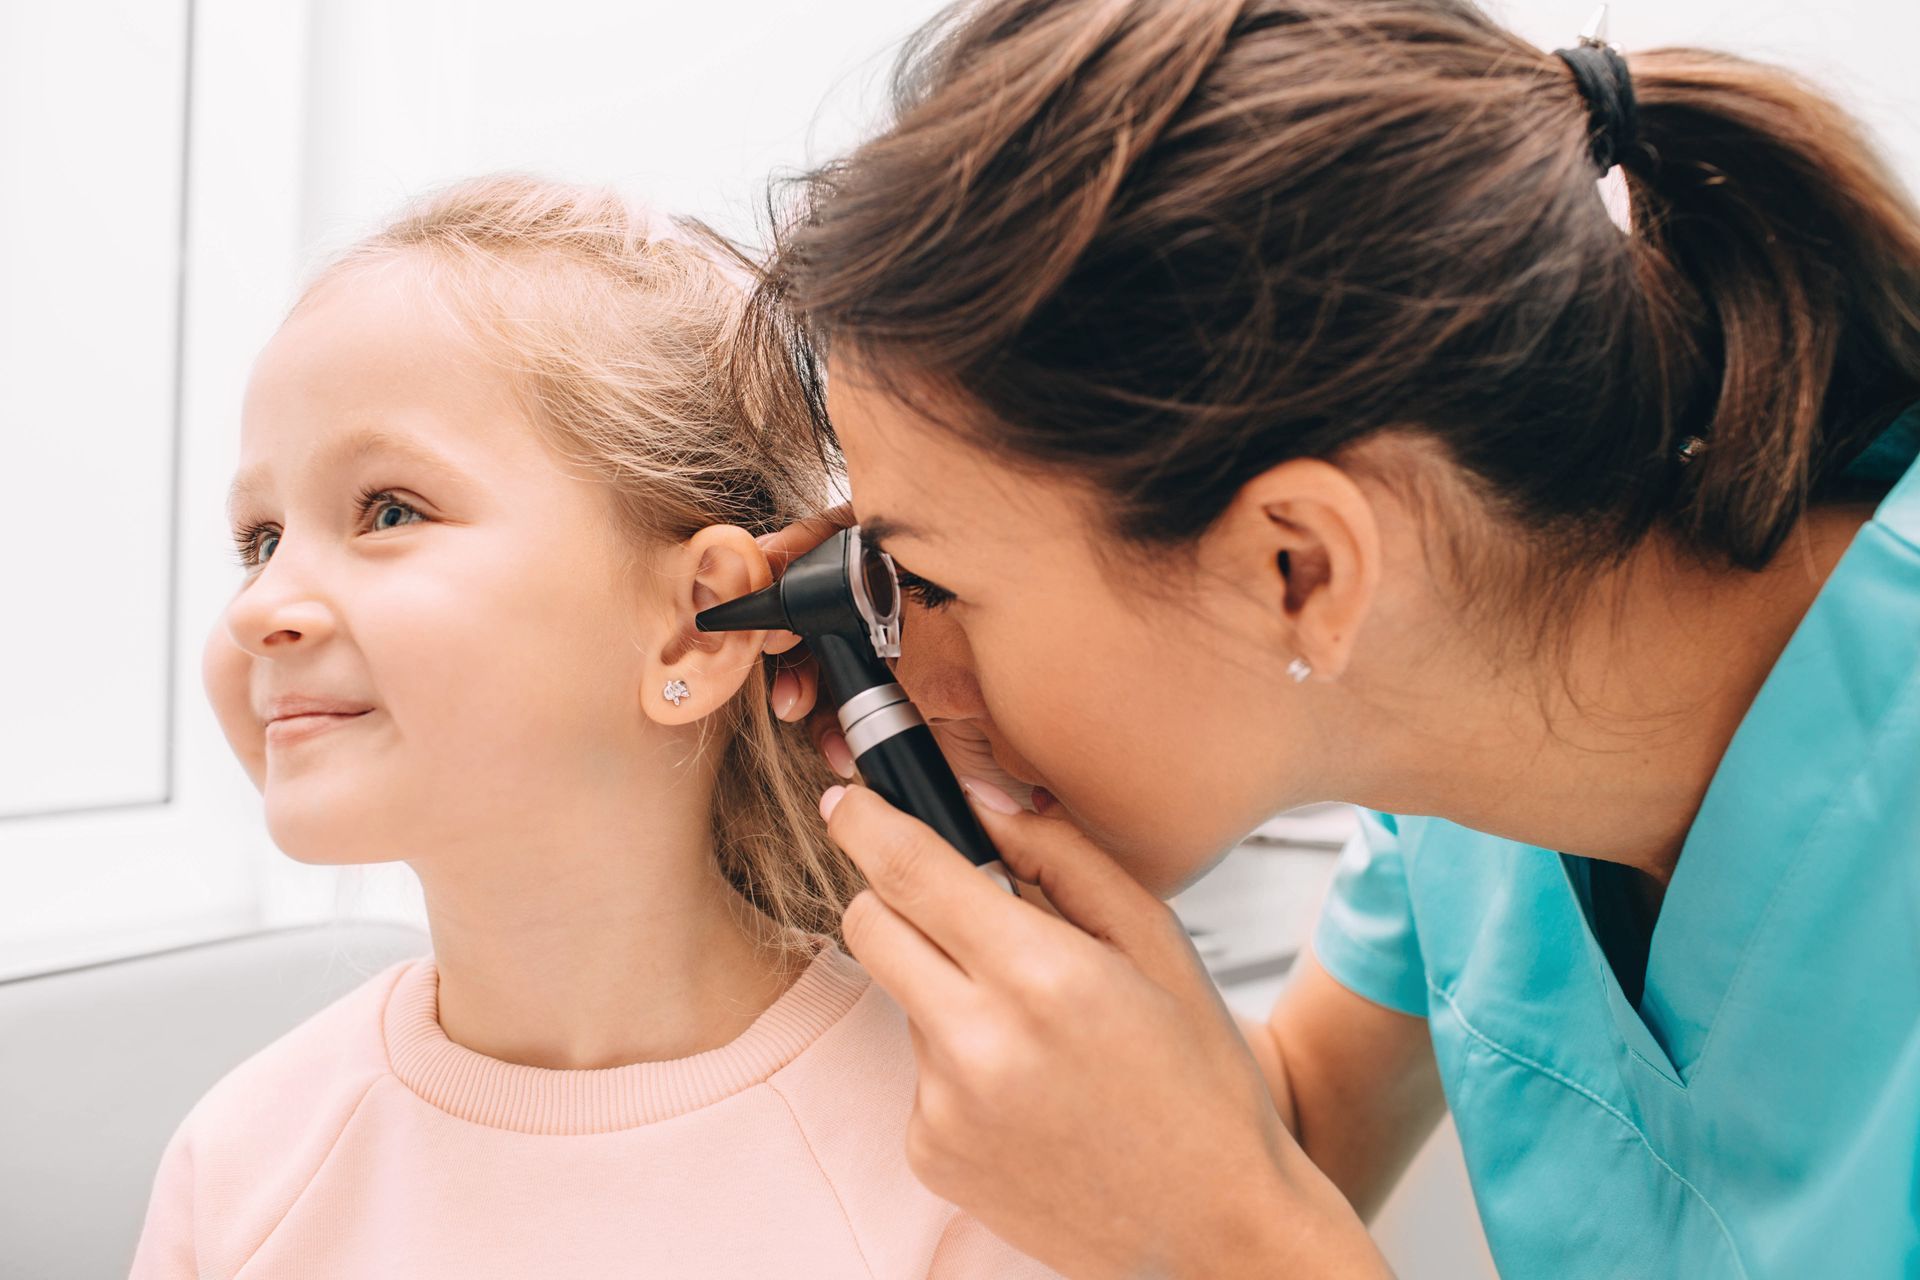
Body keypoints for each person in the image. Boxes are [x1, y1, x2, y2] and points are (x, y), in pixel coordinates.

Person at [750, 1, 1920, 1275]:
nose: (902, 667)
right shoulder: (1474, 729)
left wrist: (1239, 1243)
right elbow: (1286, 1122)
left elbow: (1244, 1203)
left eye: (929, 582)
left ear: (1299, 565)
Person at [130, 176, 1056, 1279]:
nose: (260, 604)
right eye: (261, 536)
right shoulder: (243, 1160)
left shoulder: (965, 1153)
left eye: (389, 511)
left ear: (694, 630)